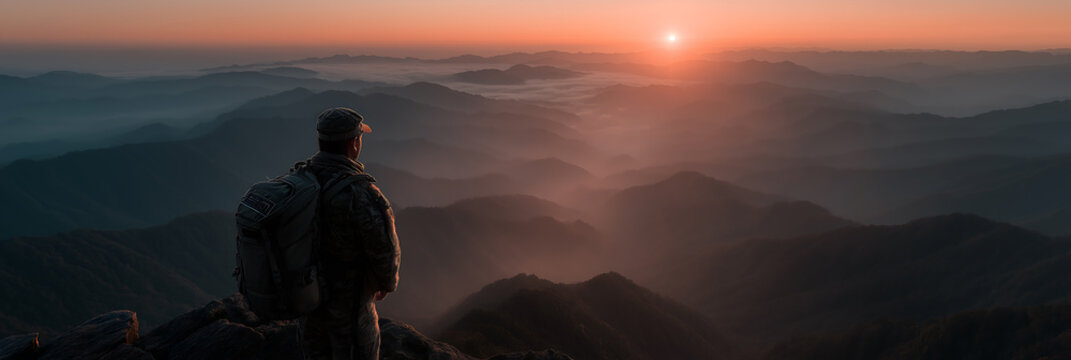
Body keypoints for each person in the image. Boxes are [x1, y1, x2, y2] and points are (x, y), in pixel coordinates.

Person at [299, 107, 401, 360]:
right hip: (350, 313)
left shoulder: (300, 182)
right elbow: (385, 252)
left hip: (307, 306)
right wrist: (386, 283)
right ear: (354, 142)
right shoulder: (362, 194)